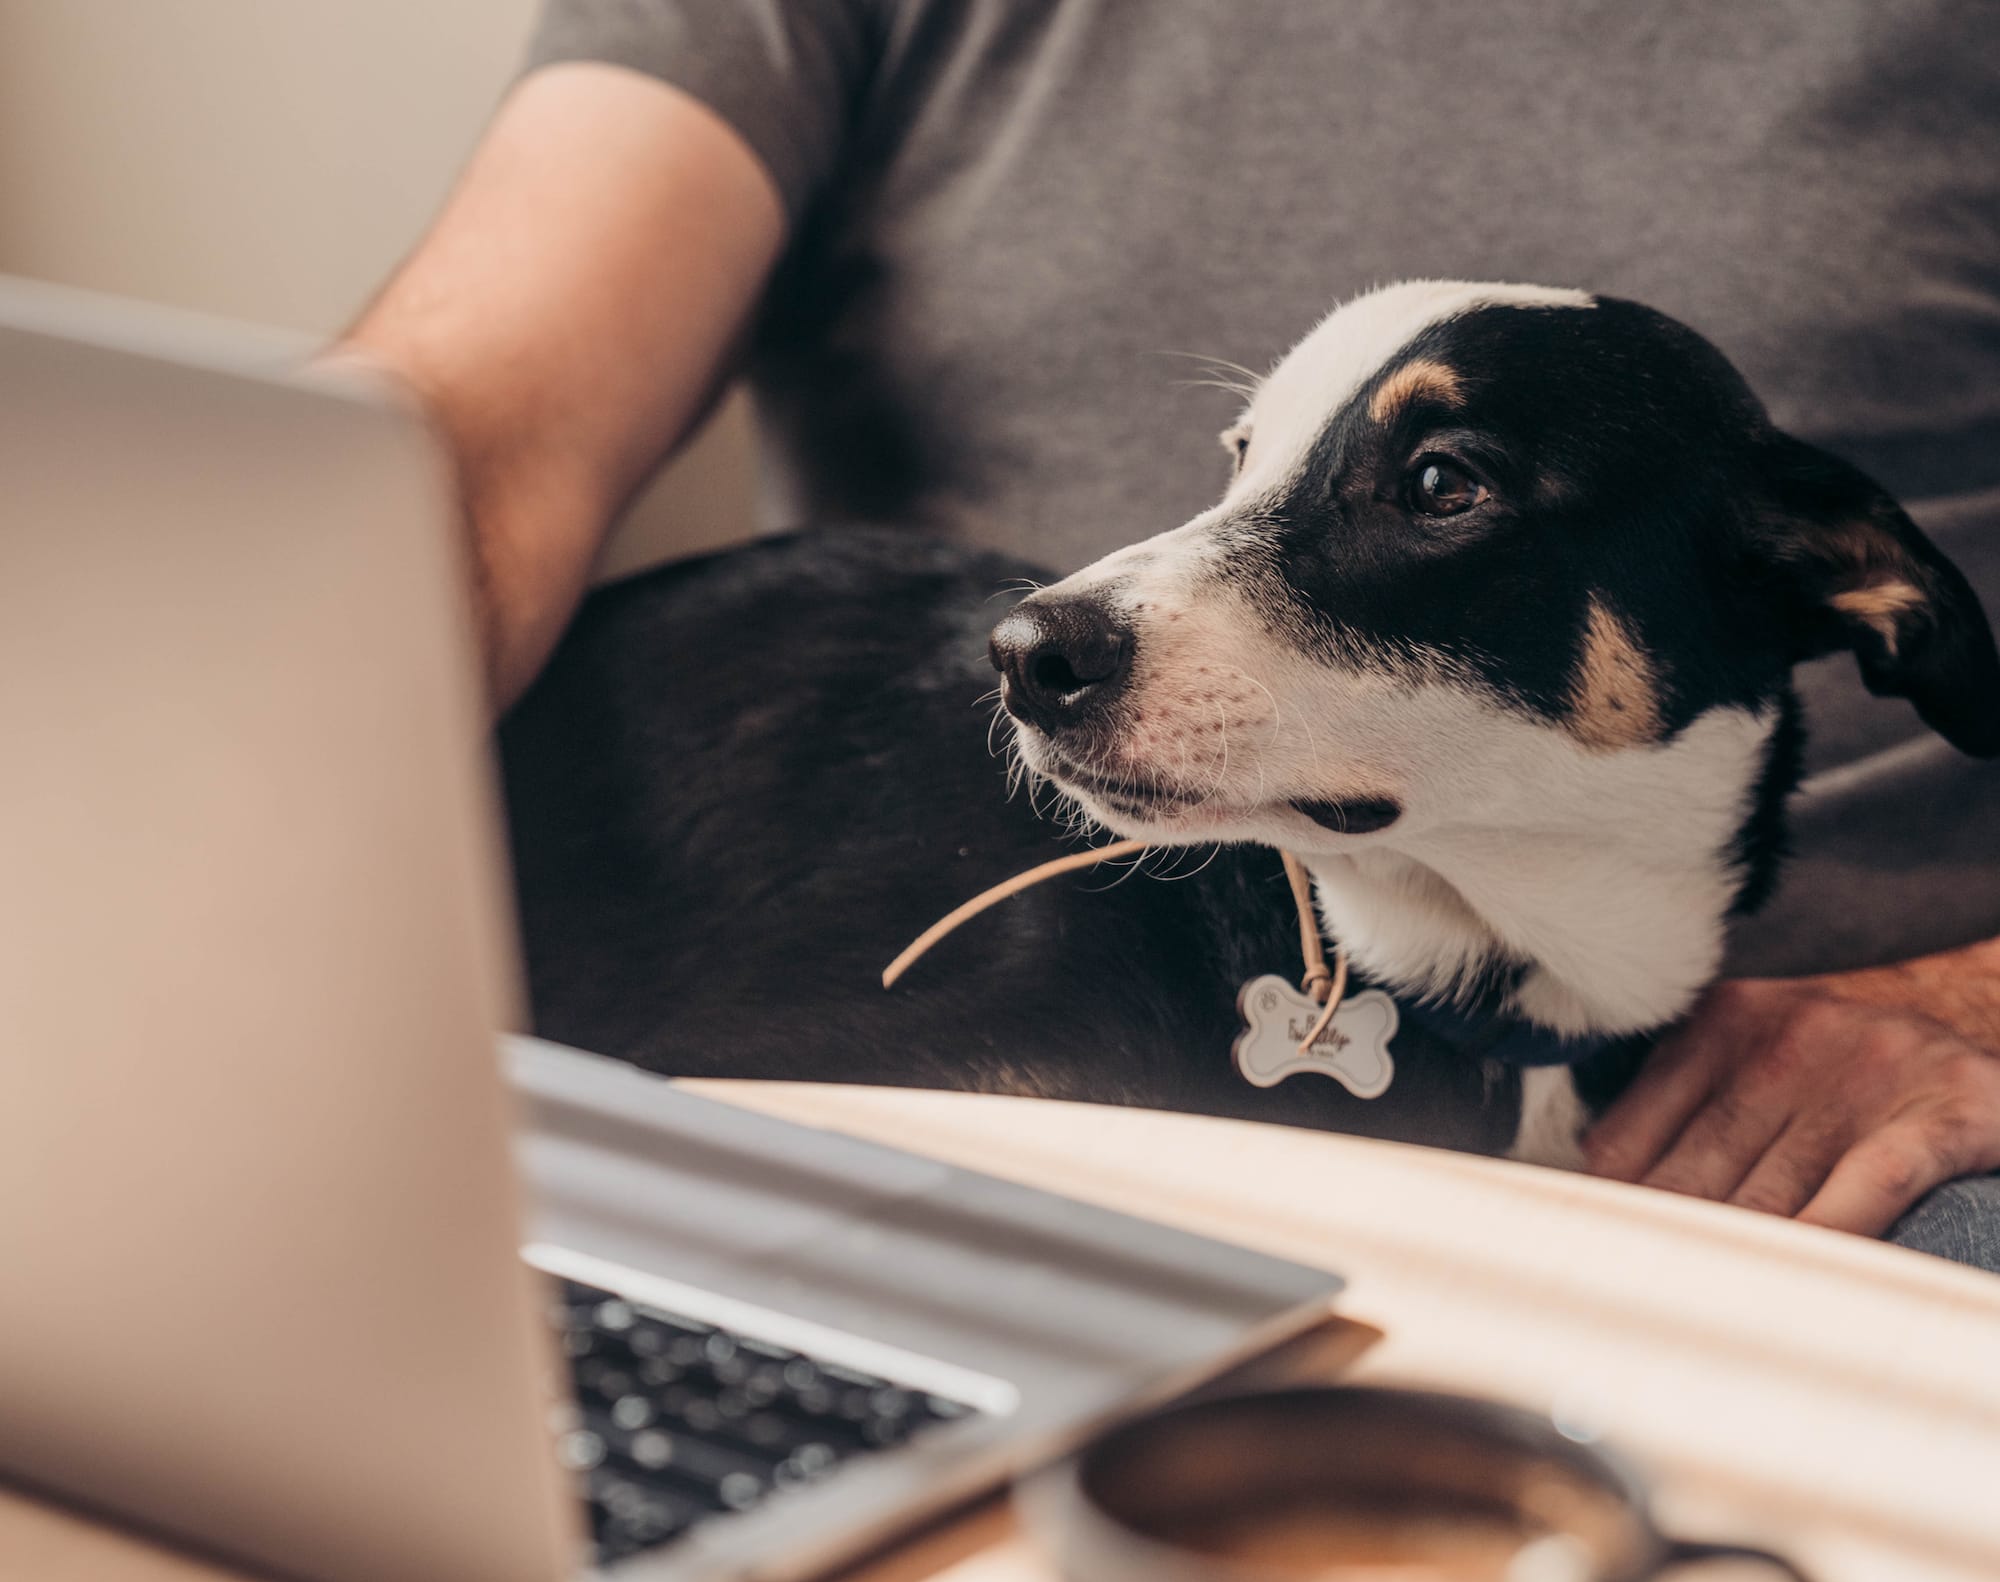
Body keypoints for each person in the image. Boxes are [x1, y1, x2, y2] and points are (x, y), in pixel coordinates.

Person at [344, 0, 2000, 1268]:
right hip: (1056, 949)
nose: (1065, 629)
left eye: (1434, 486)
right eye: (1252, 470)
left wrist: (1958, 1011)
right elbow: (470, 433)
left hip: (1864, 1105)